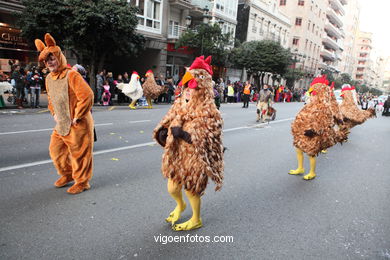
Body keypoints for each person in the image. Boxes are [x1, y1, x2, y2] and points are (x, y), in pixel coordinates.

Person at [153, 55, 223, 231]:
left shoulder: (210, 111)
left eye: (192, 86)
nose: (188, 90)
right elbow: (168, 119)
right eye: (186, 85)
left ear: (201, 87)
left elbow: (210, 136)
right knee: (172, 188)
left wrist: (184, 134)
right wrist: (162, 131)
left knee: (192, 189)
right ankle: (180, 205)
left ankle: (196, 218)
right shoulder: (180, 103)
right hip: (177, 155)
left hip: (195, 158)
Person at [35, 33, 94, 194]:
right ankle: (67, 174)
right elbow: (50, 100)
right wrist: (54, 113)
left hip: (77, 122)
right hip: (61, 122)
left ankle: (82, 182)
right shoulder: (48, 78)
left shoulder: (71, 74)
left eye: (52, 59)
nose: (49, 63)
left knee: (79, 154)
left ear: (59, 57)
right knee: (55, 151)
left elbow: (87, 95)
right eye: (47, 61)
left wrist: (78, 116)